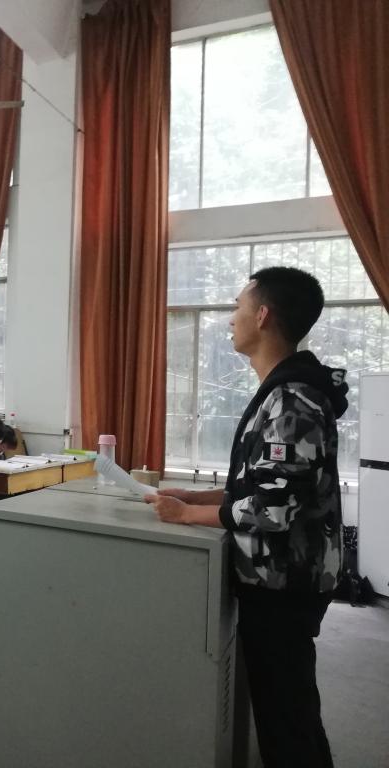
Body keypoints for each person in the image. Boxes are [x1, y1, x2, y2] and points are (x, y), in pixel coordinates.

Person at [146, 267, 345, 768]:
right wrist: (194, 494)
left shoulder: (292, 399)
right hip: (276, 581)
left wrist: (187, 514)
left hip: (284, 585)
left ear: (262, 315)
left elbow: (274, 508)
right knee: (286, 710)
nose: (230, 318)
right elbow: (262, 484)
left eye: (237, 306)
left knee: (288, 719)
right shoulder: (282, 391)